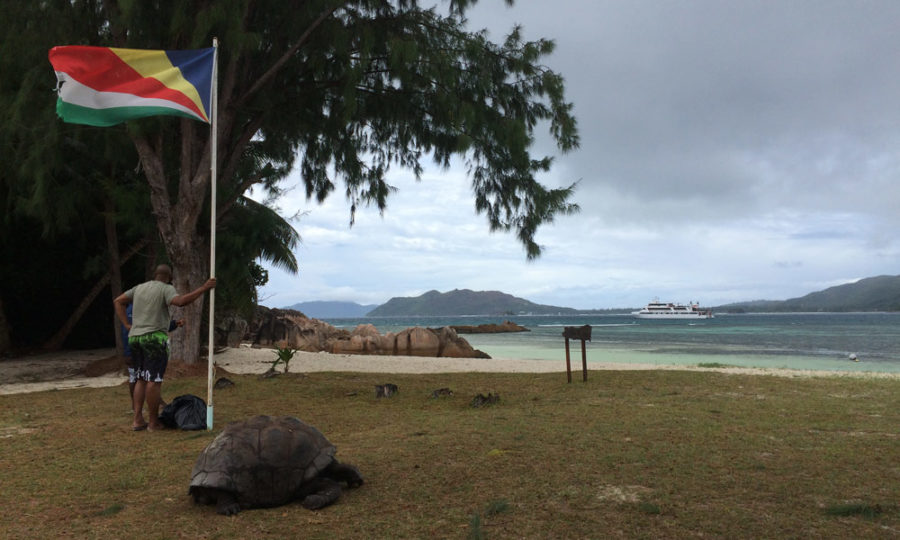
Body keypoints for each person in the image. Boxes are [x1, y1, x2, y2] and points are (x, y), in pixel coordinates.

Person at [114, 264, 216, 431]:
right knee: (153, 381)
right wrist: (203, 288)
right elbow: (180, 302)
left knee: (140, 378)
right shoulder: (165, 288)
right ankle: (153, 423)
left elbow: (118, 301)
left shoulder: (139, 288)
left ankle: (137, 419)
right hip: (154, 340)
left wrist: (126, 324)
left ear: (155, 274)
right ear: (170, 277)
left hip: (135, 338)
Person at [120, 304, 182, 413]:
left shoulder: (129, 309)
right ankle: (149, 405)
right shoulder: (142, 309)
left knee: (136, 377)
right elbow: (156, 326)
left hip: (132, 348)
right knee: (148, 379)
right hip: (140, 349)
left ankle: (137, 407)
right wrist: (174, 324)